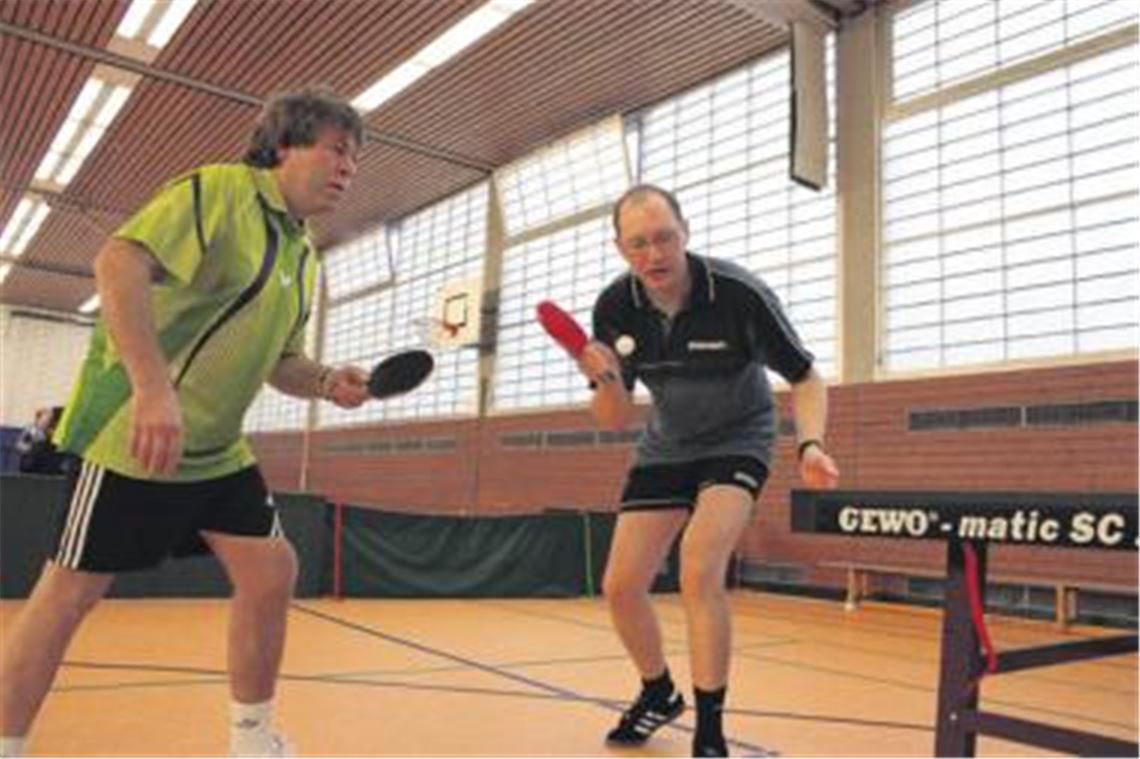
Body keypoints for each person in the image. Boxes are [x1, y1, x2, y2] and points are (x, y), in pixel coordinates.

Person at [0, 87, 369, 758]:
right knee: (67, 595)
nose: (348, 167)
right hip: (132, 436)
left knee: (272, 571)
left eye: (355, 158)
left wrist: (324, 380)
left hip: (217, 449)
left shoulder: (301, 252)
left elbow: (281, 361)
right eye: (337, 149)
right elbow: (118, 260)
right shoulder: (221, 191)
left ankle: (252, 741)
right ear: (285, 145)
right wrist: (151, 387)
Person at [577, 185, 840, 757]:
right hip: (665, 445)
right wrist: (603, 378)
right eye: (639, 243)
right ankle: (657, 692)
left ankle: (710, 730)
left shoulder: (739, 295)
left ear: (686, 232)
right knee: (620, 587)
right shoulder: (615, 307)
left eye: (664, 237)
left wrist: (811, 445)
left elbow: (806, 377)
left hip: (738, 439)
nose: (654, 255)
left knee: (699, 566)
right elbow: (617, 417)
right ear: (620, 248)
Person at [15, 407, 67, 475]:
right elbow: (19, 445)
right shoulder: (32, 431)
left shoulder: (57, 437)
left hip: (48, 466)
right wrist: (31, 448)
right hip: (34, 465)